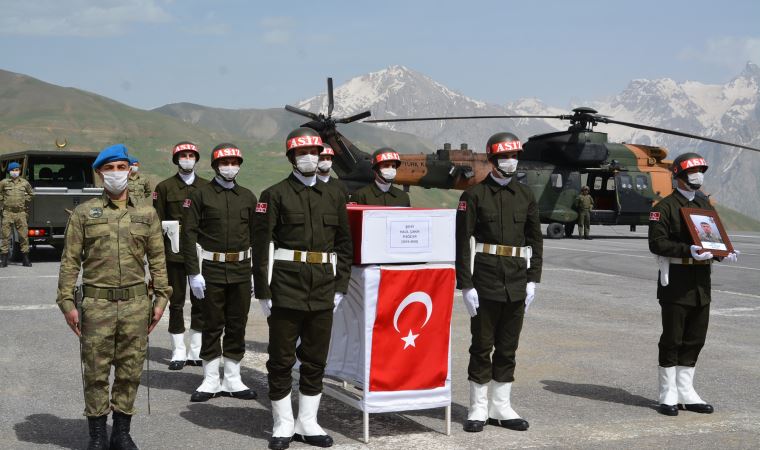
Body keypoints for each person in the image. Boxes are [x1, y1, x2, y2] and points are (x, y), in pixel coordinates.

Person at [56, 144, 171, 450]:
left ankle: (121, 432)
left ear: (130, 170)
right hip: (97, 305)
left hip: (136, 305)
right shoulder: (84, 213)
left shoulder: (146, 214)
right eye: (110, 169)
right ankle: (96, 435)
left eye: (122, 167)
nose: (117, 174)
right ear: (100, 173)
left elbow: (158, 261)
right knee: (95, 372)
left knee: (130, 370)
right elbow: (70, 261)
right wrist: (67, 302)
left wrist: (161, 300)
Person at [253, 127, 352, 450]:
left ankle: (307, 422)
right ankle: (282, 423)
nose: (310, 158)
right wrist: (263, 292)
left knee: (315, 359)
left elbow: (344, 244)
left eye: (315, 152)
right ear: (292, 158)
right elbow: (261, 246)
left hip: (323, 286)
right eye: (302, 153)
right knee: (281, 359)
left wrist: (341, 286)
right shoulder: (274, 194)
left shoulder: (335, 195)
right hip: (286, 287)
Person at [455, 132, 543, 433]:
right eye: (504, 157)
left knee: (508, 347)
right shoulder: (474, 196)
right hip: (486, 281)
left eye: (514, 156)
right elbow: (462, 242)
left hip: (517, 281)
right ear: (492, 160)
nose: (510, 161)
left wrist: (534, 281)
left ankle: (501, 406)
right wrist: (466, 285)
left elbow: (535, 241)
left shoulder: (526, 196)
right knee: (481, 347)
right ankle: (478, 408)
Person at [648, 152, 739, 416]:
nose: (697, 176)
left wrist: (724, 251)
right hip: (677, 280)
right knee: (673, 337)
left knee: (695, 338)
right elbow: (657, 243)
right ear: (679, 175)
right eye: (692, 172)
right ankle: (668, 394)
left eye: (700, 171)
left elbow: (713, 236)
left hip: (701, 281)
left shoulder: (703, 204)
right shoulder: (662, 208)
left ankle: (686, 392)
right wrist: (689, 250)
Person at [181, 143, 258, 402]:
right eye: (224, 163)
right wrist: (193, 273)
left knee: (237, 324)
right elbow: (188, 235)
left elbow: (256, 237)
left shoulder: (248, 196)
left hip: (240, 270)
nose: (230, 167)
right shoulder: (201, 196)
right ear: (215, 166)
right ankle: (211, 378)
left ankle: (233, 379)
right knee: (211, 324)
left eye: (234, 162)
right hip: (211, 270)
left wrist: (257, 274)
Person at [153, 141, 208, 370]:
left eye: (191, 155)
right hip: (173, 254)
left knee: (201, 302)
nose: (187, 158)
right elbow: (157, 222)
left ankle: (196, 350)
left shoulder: (206, 187)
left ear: (196, 158)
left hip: (200, 253)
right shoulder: (164, 187)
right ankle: (178, 351)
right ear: (176, 160)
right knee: (175, 303)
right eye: (183, 155)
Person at [0, 162, 34, 267]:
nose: (15, 172)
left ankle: (25, 259)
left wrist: (25, 199)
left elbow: (31, 194)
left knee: (23, 236)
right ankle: (4, 259)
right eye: (13, 170)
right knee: (5, 236)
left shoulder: (24, 183)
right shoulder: (4, 183)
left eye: (17, 170)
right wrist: (2, 199)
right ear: (9, 171)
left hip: (20, 213)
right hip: (8, 212)